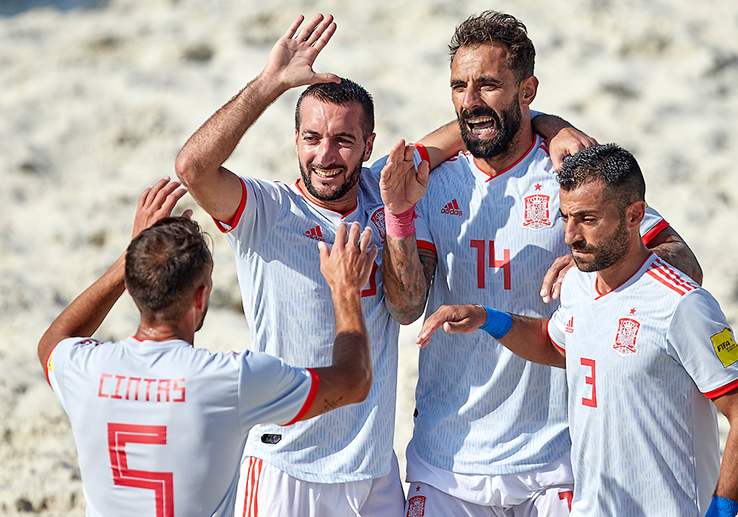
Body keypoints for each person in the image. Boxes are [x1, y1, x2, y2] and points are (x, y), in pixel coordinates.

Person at [174, 13, 587, 516]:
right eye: (311, 138)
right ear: (296, 140)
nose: (326, 156)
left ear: (368, 146)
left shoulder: (385, 191)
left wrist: (548, 124)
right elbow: (193, 167)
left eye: (344, 141)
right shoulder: (266, 210)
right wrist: (269, 84)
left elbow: (474, 129)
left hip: (376, 473)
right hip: (288, 467)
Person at [379, 11, 705, 516]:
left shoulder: (569, 172)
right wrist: (399, 217)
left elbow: (683, 266)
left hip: (558, 460)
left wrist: (593, 263)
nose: (470, 101)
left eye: (488, 85)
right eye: (459, 86)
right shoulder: (430, 180)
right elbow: (405, 307)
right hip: (446, 461)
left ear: (527, 90)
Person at [417, 144, 738, 517]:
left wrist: (720, 513)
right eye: (565, 217)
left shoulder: (683, 305)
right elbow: (555, 345)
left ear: (634, 216)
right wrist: (486, 317)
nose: (570, 235)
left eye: (587, 219)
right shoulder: (580, 286)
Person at [37, 178, 378, 517]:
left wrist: (130, 257)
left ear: (132, 284)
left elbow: (53, 341)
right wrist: (345, 291)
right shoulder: (231, 379)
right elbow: (354, 381)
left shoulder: (86, 369)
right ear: (200, 298)